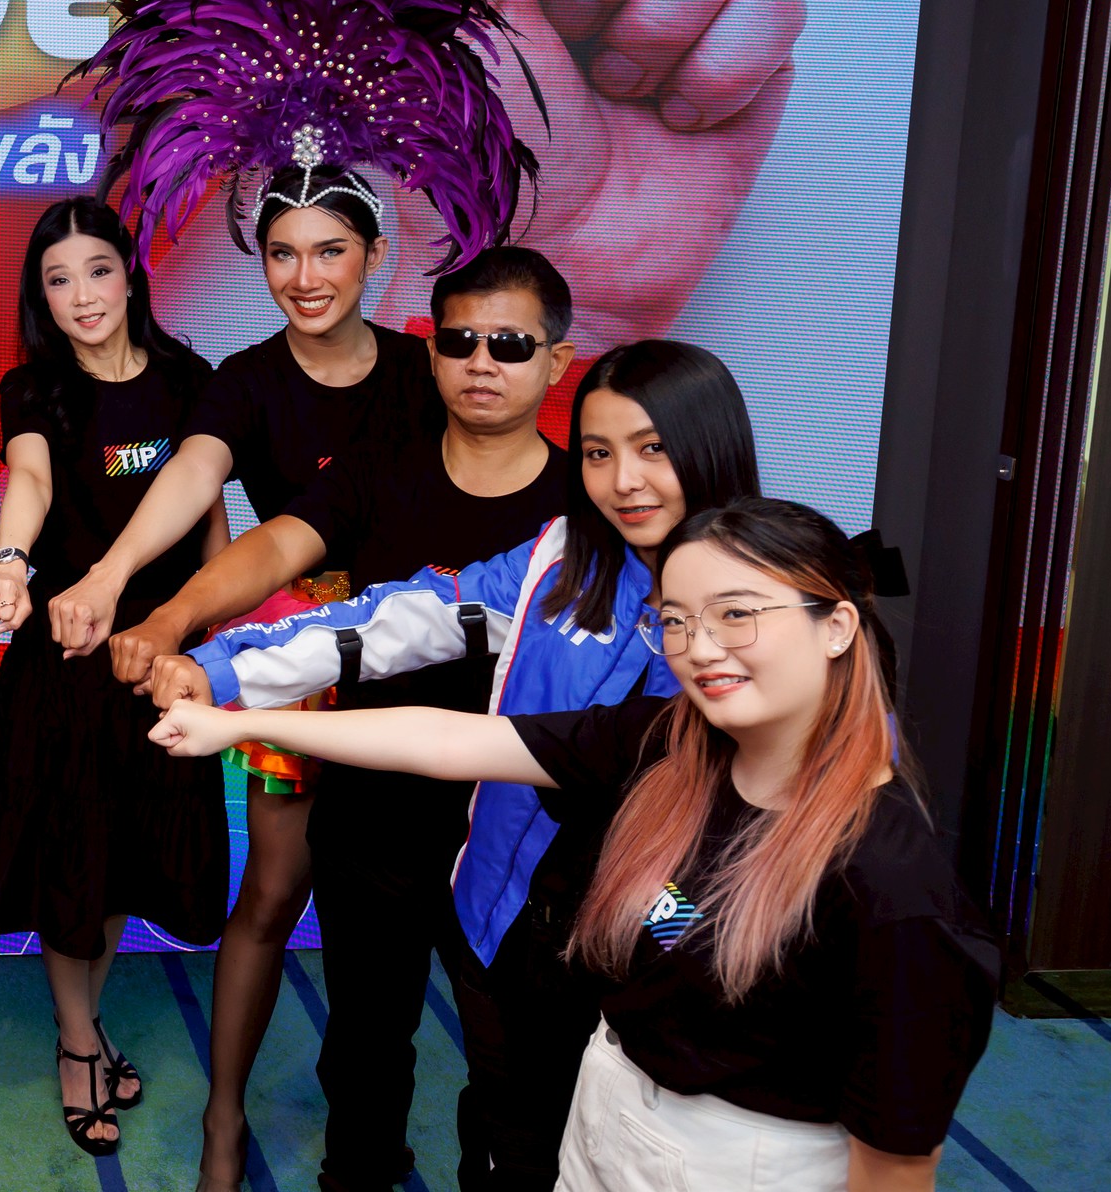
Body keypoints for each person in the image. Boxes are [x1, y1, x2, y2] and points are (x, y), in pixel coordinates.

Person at [61, 0, 540, 1192]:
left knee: (464, 913)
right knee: (274, 895)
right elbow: (208, 488)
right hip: (287, 667)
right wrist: (123, 585)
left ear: (376, 253)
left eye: (330, 249)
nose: (306, 274)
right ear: (259, 258)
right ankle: (225, 1120)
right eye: (283, 252)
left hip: (431, 670)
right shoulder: (244, 381)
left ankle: (474, 1134)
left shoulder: (435, 371)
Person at [154, 497, 999, 1192]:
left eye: (737, 615)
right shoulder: (671, 742)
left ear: (838, 626)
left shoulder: (894, 888)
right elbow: (452, 741)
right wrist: (238, 722)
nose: (701, 650)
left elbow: (896, 1166)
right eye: (676, 622)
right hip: (603, 1119)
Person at [148, 339, 763, 1191]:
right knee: (506, 1142)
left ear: (712, 446)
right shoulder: (560, 558)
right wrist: (223, 669)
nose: (625, 481)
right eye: (597, 452)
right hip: (508, 927)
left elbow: (782, 823)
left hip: (657, 953)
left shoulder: (779, 603)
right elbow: (402, 618)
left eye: (653, 448)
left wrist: (686, 947)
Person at [119, 245, 574, 1190]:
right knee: (364, 1051)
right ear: (430, 352)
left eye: (509, 344)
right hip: (376, 814)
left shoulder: (584, 511)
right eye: (460, 341)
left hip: (522, 826)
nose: (481, 362)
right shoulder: (381, 470)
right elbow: (278, 547)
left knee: (518, 1072)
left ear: (556, 361)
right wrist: (174, 620)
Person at [0, 196, 229, 1157]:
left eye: (98, 271)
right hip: (68, 658)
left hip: (158, 656)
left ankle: (86, 1020)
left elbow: (210, 521)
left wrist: (211, 643)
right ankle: (78, 1043)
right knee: (71, 862)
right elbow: (29, 480)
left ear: (131, 274)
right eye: (57, 279)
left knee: (122, 863)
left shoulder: (192, 380)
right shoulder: (33, 389)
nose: (82, 296)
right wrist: (9, 562)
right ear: (39, 297)